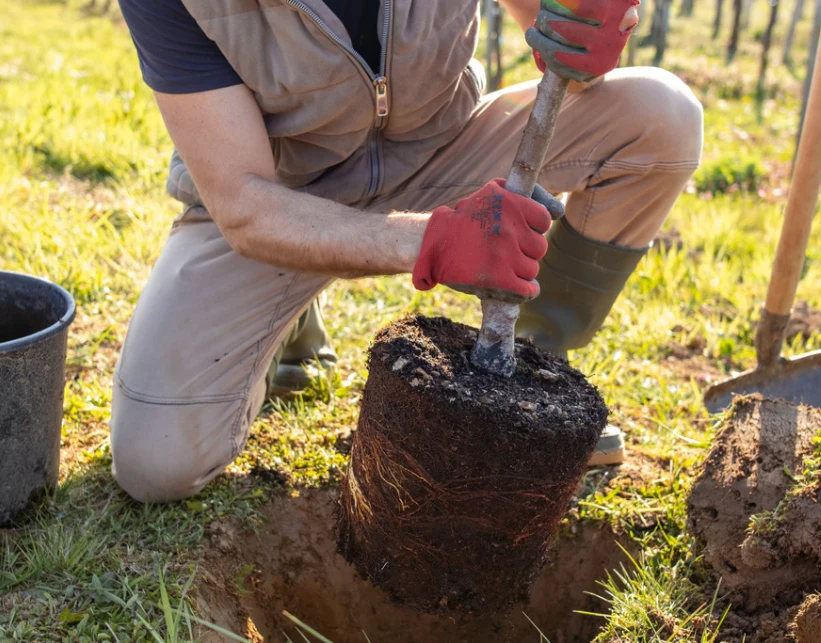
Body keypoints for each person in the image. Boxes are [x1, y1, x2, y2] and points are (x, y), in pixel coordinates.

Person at [112, 0, 703, 502]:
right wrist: (434, 239)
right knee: (157, 461)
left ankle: (527, 384)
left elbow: (548, 17)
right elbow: (244, 202)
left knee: (662, 115)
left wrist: (578, 23)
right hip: (282, 196)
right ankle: (285, 317)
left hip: (443, 150)